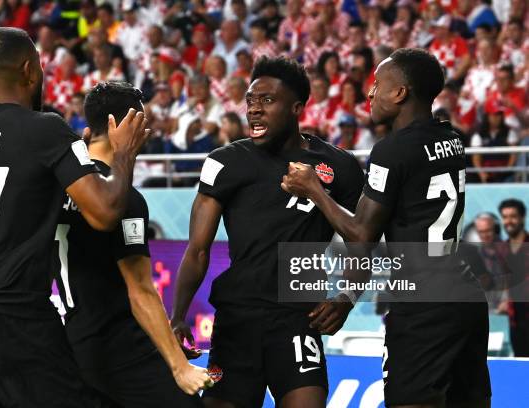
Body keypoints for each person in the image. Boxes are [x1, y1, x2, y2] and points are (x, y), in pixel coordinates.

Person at [0, 27, 149, 406]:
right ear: (30, 70)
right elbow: (104, 213)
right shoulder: (46, 129)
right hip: (15, 320)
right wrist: (125, 153)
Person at [281, 48, 491, 408]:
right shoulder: (450, 138)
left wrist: (313, 189)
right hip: (465, 296)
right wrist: (349, 294)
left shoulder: (392, 150)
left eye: (378, 85)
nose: (370, 94)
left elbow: (362, 234)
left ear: (400, 93)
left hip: (423, 303)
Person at [172, 56, 364, 408]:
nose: (254, 110)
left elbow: (363, 241)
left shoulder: (341, 166)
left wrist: (347, 297)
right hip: (237, 320)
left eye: (267, 101)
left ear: (297, 108)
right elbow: (198, 250)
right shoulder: (224, 162)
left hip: (299, 318)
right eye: (250, 101)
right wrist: (178, 315)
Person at [53, 81, 212, 407]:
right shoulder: (122, 199)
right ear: (118, 127)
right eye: (140, 123)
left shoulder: (59, 188)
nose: (147, 132)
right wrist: (180, 367)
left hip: (71, 344)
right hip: (121, 347)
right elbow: (140, 290)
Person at [498, 199, 529, 357]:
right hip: (515, 320)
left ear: (523, 218)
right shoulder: (502, 248)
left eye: (513, 216)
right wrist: (504, 299)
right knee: (521, 366)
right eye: (505, 216)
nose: (508, 221)